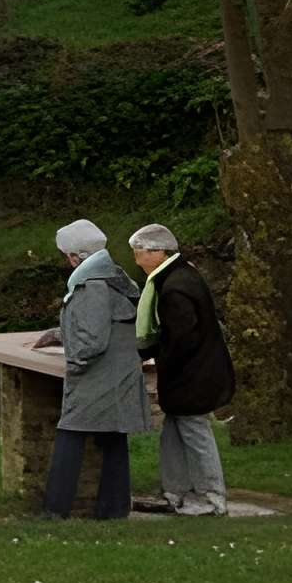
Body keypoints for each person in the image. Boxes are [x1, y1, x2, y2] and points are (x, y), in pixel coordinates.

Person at [30, 219, 151, 519]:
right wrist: (60, 334)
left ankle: (55, 510)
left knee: (69, 435)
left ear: (75, 256)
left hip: (97, 376)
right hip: (119, 372)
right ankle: (114, 509)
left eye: (66, 255)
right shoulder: (114, 277)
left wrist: (75, 362)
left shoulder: (91, 285)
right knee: (113, 437)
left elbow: (93, 340)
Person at [129, 223, 232, 516]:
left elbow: (181, 337)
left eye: (140, 253)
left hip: (191, 374)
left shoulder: (174, 287)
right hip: (192, 371)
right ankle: (174, 490)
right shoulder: (181, 275)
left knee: (195, 430)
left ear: (159, 252)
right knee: (173, 429)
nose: (137, 260)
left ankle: (213, 496)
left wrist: (155, 357)